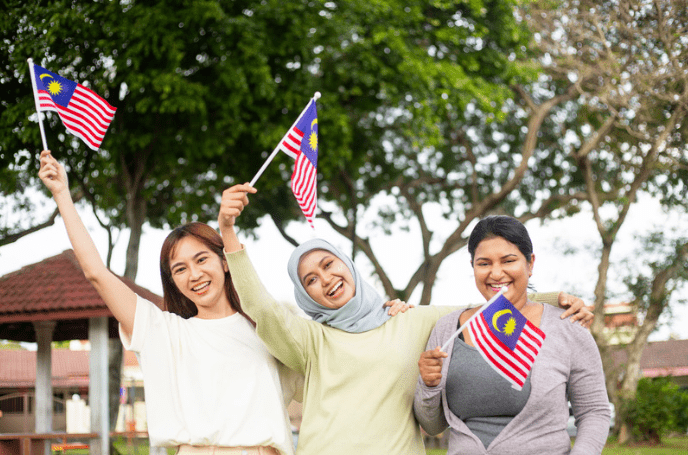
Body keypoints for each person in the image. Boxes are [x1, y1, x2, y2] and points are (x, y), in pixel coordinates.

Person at [217, 184, 594, 455]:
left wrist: (551, 298)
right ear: (306, 295)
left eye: (328, 264)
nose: (326, 280)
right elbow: (264, 310)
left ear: (347, 264)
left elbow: (488, 305)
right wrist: (229, 233)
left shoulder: (411, 320)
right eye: (310, 280)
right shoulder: (310, 340)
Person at [38, 150, 301, 455]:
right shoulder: (164, 331)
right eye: (180, 269)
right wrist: (62, 195)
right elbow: (96, 272)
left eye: (202, 259)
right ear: (173, 280)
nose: (195, 274)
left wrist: (227, 229)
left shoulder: (267, 328)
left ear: (225, 262)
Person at [414, 215, 610, 455]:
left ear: (530, 264)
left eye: (508, 261)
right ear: (473, 267)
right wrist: (429, 385)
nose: (496, 273)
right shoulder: (447, 329)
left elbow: (594, 412)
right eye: (484, 263)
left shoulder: (568, 326)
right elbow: (432, 426)